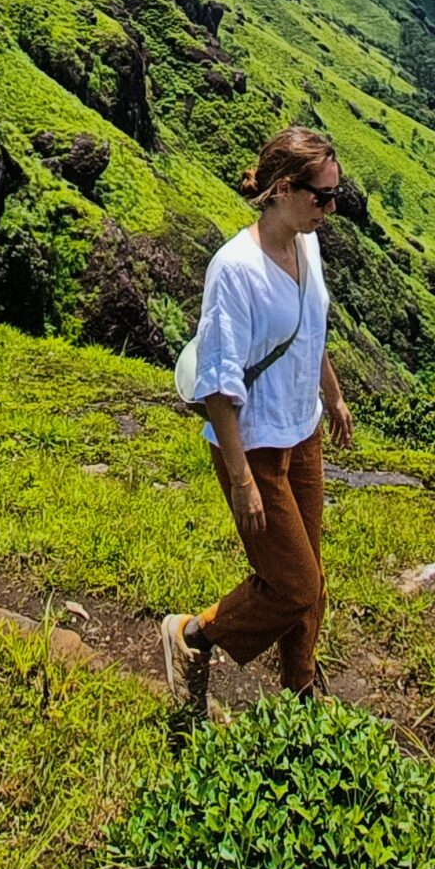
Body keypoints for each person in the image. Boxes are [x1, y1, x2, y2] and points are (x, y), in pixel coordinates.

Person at [160, 127, 356, 713]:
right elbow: (217, 387)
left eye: (334, 194)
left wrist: (335, 397)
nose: (331, 208)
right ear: (280, 189)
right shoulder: (235, 269)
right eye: (321, 196)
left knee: (311, 578)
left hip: (304, 429)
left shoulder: (306, 243)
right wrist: (242, 478)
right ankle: (192, 636)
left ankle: (299, 689)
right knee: (294, 584)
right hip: (257, 445)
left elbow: (310, 326)